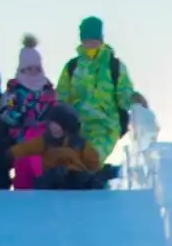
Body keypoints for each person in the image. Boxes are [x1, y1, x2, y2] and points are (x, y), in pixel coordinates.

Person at [56, 16, 136, 163]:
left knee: (91, 159)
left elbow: (124, 94)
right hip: (78, 127)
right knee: (70, 162)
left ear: (101, 39)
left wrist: (134, 99)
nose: (90, 43)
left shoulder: (114, 66)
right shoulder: (72, 67)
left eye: (93, 38)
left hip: (105, 127)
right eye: (86, 39)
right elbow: (61, 97)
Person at [0, 35, 59, 191]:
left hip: (46, 138)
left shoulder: (48, 90)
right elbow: (5, 111)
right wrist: (20, 116)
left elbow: (57, 110)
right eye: (29, 69)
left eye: (36, 69)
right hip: (21, 137)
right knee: (24, 166)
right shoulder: (15, 91)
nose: (33, 72)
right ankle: (23, 199)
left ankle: (44, 183)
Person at [9, 106, 111, 190]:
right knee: (42, 181)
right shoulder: (45, 141)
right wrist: (10, 154)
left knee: (81, 177)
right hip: (52, 178)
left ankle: (98, 179)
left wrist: (94, 173)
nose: (54, 129)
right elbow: (27, 147)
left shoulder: (78, 144)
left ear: (68, 129)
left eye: (59, 127)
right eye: (52, 125)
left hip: (75, 178)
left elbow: (92, 160)